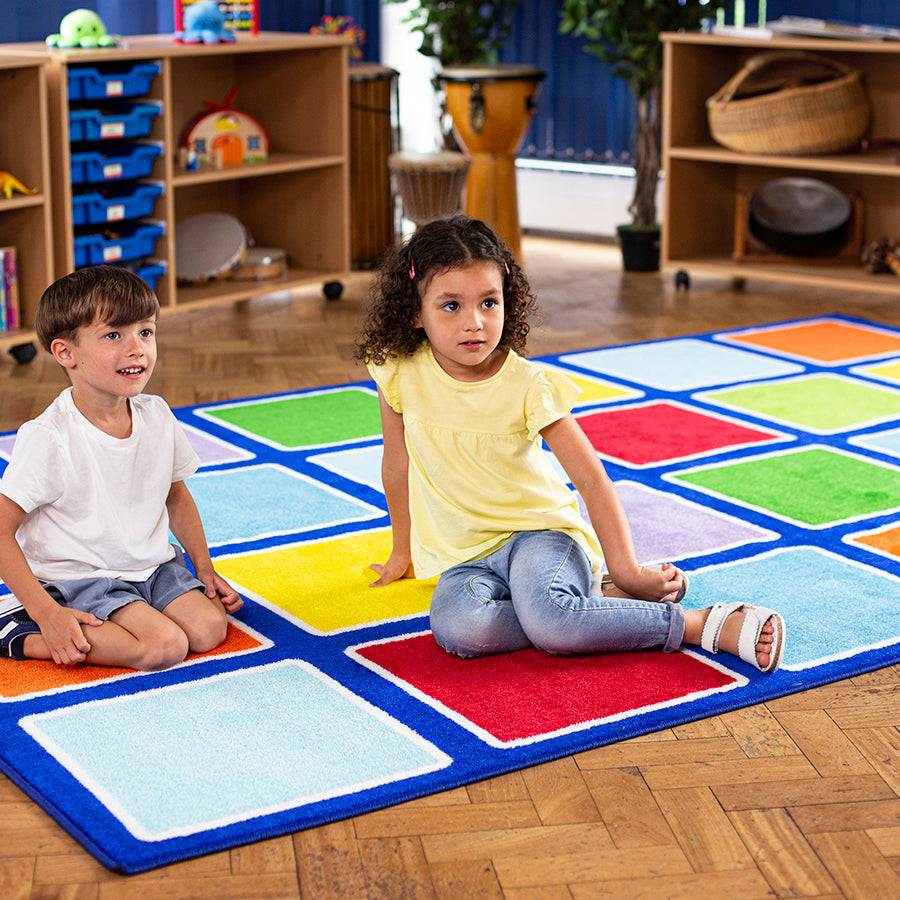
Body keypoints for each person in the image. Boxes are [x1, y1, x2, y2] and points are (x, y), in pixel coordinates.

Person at [354, 215, 785, 672]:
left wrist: (627, 571)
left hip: (540, 538)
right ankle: (587, 602)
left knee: (554, 625)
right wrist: (403, 549)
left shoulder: (529, 386)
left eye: (488, 302)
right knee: (462, 630)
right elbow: (396, 463)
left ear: (507, 300)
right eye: (451, 306)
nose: (474, 323)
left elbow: (592, 480)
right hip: (466, 558)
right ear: (414, 312)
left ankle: (696, 623)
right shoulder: (398, 370)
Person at [0, 266, 242, 669]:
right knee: (160, 648)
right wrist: (47, 614)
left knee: (207, 630)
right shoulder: (49, 437)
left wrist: (205, 569)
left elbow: (176, 497)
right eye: (114, 335)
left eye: (145, 332)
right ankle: (18, 631)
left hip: (151, 566)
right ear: (66, 353)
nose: (137, 348)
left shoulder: (158, 414)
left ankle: (132, 610)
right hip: (80, 577)